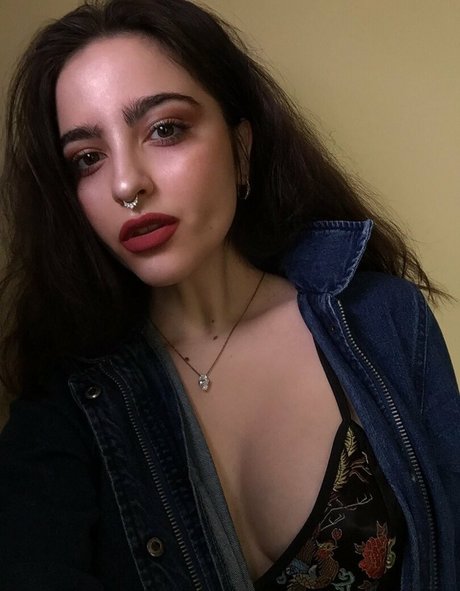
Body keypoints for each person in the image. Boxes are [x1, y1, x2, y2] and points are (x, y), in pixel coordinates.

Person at [0, 0, 458, 589]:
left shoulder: (382, 320)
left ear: (241, 147)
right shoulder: (66, 408)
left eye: (165, 129)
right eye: (88, 158)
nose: (126, 184)